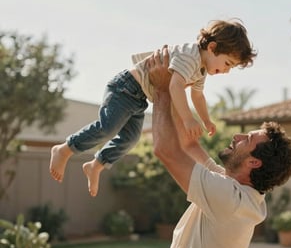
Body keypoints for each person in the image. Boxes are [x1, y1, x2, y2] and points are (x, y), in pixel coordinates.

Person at [149, 47, 291, 248]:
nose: (237, 137)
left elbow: (165, 150)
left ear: (253, 162)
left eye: (247, 139)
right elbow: (188, 146)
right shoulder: (236, 192)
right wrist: (177, 85)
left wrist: (161, 91)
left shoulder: (230, 199)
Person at [49, 19, 256, 196]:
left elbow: (197, 95)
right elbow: (174, 87)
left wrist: (206, 119)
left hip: (139, 99)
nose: (226, 71)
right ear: (212, 48)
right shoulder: (190, 56)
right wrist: (187, 119)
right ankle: (65, 149)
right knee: (108, 128)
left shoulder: (200, 70)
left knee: (130, 139)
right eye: (227, 63)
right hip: (126, 88)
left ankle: (96, 165)